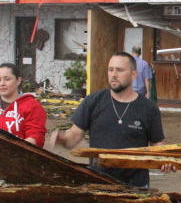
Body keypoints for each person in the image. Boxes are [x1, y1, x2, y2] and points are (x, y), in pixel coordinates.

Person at [51, 52, 167, 187]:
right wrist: (62, 138)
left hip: (136, 185)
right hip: (98, 183)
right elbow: (74, 137)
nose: (113, 74)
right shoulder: (93, 102)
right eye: (110, 69)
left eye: (120, 70)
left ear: (134, 74)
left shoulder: (148, 108)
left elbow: (157, 144)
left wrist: (165, 159)